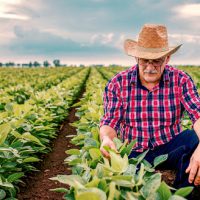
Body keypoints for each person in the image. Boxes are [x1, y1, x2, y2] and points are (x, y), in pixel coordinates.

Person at [99, 24, 200, 189]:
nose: (150, 67)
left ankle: (181, 194)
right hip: (134, 151)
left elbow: (197, 114)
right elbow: (110, 121)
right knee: (122, 171)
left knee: (192, 138)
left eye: (157, 61)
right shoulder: (118, 83)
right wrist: (106, 139)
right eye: (145, 60)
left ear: (167, 59)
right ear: (136, 58)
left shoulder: (181, 80)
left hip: (169, 147)